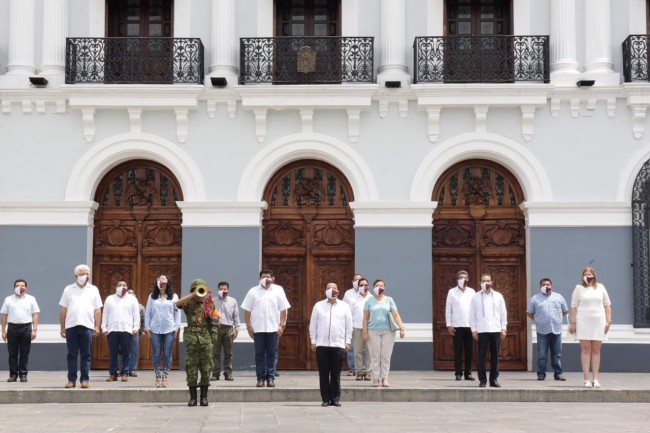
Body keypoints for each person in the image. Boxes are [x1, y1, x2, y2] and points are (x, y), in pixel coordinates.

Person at [241, 269, 290, 388]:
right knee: (259, 354)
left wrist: (281, 325)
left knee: (272, 353)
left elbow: (283, 308)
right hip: (258, 328)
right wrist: (248, 326)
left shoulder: (278, 290)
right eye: (263, 276)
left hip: (273, 328)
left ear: (273, 278)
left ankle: (270, 377)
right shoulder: (253, 291)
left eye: (268, 276)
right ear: (259, 278)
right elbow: (247, 310)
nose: (266, 278)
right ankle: (260, 378)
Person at [59, 264, 103, 389]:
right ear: (76, 275)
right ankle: (71, 380)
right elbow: (63, 309)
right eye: (82, 274)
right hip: (71, 326)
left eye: (86, 274)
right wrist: (62, 327)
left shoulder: (93, 289)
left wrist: (97, 326)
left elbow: (98, 309)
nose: (85, 276)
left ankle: (85, 379)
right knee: (71, 355)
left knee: (86, 354)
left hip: (87, 326)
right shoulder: (68, 289)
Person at [309, 282, 352, 407]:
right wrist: (313, 341)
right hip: (322, 344)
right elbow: (313, 324)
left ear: (338, 291)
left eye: (333, 288)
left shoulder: (344, 306)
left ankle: (335, 398)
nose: (331, 290)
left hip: (338, 344)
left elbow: (349, 325)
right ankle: (325, 399)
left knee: (336, 373)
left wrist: (347, 341)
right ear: (325, 291)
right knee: (323, 373)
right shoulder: (318, 306)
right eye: (328, 288)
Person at [569, 267, 612, 388]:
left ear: (594, 276)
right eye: (585, 274)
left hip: (599, 322)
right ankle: (586, 379)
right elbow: (573, 307)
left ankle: (596, 379)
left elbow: (607, 305)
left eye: (590, 274)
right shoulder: (579, 288)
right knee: (586, 349)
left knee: (596, 350)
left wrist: (608, 321)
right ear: (582, 276)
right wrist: (573, 323)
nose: (588, 276)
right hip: (583, 322)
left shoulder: (601, 287)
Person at [177, 279, 216, 407]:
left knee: (206, 368)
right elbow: (177, 303)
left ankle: (204, 397)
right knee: (191, 367)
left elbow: (216, 320)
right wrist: (192, 295)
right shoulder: (188, 304)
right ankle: (193, 398)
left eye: (202, 290)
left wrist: (212, 315)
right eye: (198, 290)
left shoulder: (210, 304)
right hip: (192, 339)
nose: (201, 294)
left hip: (205, 338)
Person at [362, 279, 406, 388]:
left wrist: (402, 328)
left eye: (381, 285)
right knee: (375, 355)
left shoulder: (389, 300)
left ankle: (385, 378)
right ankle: (376, 378)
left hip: (388, 331)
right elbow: (365, 318)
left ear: (384, 287)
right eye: (377, 285)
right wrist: (364, 332)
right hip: (373, 331)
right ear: (373, 287)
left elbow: (395, 315)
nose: (379, 287)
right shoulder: (369, 301)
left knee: (386, 355)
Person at [469, 272, 507, 388]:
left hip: (495, 329)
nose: (486, 283)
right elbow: (472, 315)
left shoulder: (498, 296)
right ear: (480, 283)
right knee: (481, 355)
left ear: (492, 282)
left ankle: (494, 379)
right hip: (482, 329)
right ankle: (482, 380)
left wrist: (503, 328)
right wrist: (474, 330)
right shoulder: (475, 297)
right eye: (484, 281)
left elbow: (503, 313)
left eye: (488, 281)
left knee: (495, 355)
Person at [527, 277, 569, 381]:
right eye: (544, 285)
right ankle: (541, 374)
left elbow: (565, 311)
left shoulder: (558, 297)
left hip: (556, 330)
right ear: (540, 287)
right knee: (542, 354)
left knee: (557, 354)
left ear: (551, 286)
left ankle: (558, 373)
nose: (546, 286)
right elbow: (529, 312)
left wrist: (557, 319)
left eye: (548, 284)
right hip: (542, 330)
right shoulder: (535, 299)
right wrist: (538, 320)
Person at [144, 274, 181, 388]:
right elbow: (148, 313)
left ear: (168, 282)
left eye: (163, 279)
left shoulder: (174, 297)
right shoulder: (152, 296)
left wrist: (176, 328)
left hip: (169, 328)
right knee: (156, 352)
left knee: (167, 352)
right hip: (155, 329)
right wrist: (147, 328)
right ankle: (157, 375)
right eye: (159, 279)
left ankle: (165, 375)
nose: (161, 280)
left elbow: (177, 313)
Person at [1, 279, 40, 382]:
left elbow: (35, 314)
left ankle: (23, 374)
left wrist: (34, 329)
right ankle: (13, 375)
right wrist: (3, 331)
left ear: (26, 288)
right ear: (14, 288)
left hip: (26, 328)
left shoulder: (31, 299)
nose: (20, 287)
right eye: (17, 285)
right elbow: (4, 315)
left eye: (22, 285)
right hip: (12, 328)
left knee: (24, 353)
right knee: (12, 353)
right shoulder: (8, 299)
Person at [102, 279, 140, 382]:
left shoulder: (132, 299)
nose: (122, 287)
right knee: (113, 353)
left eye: (124, 285)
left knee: (126, 353)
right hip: (112, 330)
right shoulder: (110, 299)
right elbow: (105, 314)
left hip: (126, 329)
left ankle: (125, 373)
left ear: (127, 287)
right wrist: (104, 327)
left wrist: (135, 328)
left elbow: (136, 315)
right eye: (119, 285)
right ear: (116, 287)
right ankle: (113, 374)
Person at [445, 270, 476, 381]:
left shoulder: (472, 292)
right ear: (458, 280)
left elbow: (475, 309)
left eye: (466, 278)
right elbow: (448, 310)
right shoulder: (452, 292)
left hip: (470, 326)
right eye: (462, 278)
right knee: (458, 351)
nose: (464, 280)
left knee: (469, 351)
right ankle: (458, 373)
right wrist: (449, 324)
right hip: (457, 326)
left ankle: (468, 373)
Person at [210, 281, 240, 382]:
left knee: (228, 353)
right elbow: (208, 315)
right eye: (221, 289)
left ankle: (228, 373)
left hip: (228, 329)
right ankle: (215, 373)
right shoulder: (212, 301)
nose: (223, 291)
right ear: (217, 290)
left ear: (228, 290)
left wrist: (236, 330)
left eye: (225, 289)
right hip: (215, 328)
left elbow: (236, 317)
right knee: (215, 353)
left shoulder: (233, 301)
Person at [351, 277, 371, 381]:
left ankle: (368, 372)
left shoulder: (372, 298)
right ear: (358, 287)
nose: (364, 287)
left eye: (365, 285)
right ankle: (359, 372)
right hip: (357, 328)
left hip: (370, 328)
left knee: (369, 351)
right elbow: (349, 314)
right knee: (357, 351)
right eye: (361, 285)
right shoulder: (353, 299)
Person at [342, 273, 362, 376]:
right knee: (350, 347)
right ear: (352, 282)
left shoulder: (367, 294)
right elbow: (343, 306)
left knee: (362, 348)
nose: (357, 282)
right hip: (350, 324)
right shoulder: (348, 294)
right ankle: (351, 369)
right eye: (355, 280)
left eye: (359, 280)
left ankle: (362, 369)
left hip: (362, 324)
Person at [127, 288, 145, 377]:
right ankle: (123, 369)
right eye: (129, 293)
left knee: (134, 350)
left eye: (132, 293)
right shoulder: (123, 305)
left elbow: (143, 319)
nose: (131, 294)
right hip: (124, 330)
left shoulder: (140, 306)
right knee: (123, 351)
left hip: (135, 331)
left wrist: (143, 330)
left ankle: (132, 369)